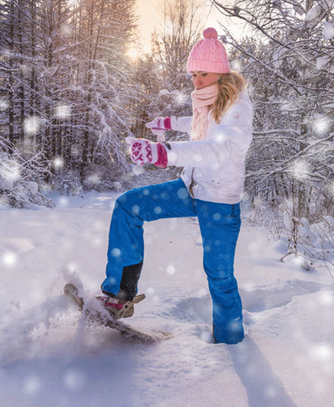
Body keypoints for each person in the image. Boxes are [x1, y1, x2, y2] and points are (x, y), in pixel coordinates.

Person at [99, 27, 253, 344]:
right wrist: (169, 125)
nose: (196, 81)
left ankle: (231, 342)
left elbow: (218, 148)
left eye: (203, 74)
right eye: (193, 74)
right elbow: (199, 127)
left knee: (219, 276)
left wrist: (164, 152)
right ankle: (119, 294)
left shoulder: (238, 109)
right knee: (129, 206)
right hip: (189, 190)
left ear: (221, 73)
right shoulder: (206, 101)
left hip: (219, 203)